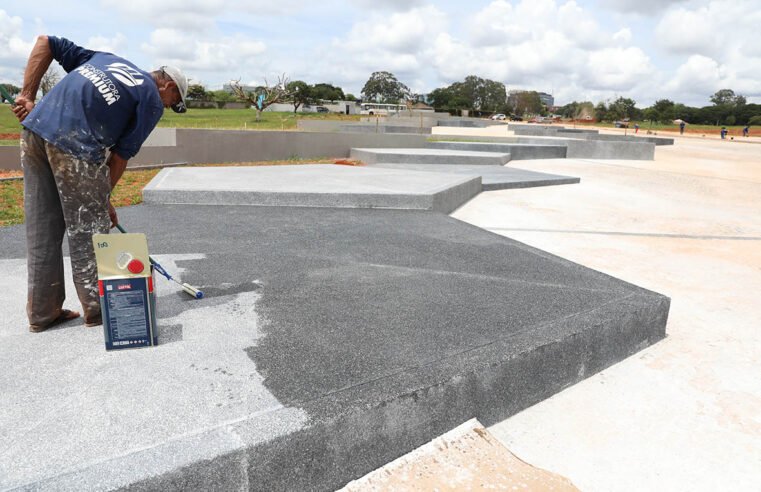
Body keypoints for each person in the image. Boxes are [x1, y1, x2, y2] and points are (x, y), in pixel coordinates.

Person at [12, 35, 187, 332]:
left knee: (43, 228)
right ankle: (98, 310)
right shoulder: (151, 99)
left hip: (35, 133)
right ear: (168, 87)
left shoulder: (107, 58)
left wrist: (27, 95)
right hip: (75, 146)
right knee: (89, 231)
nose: (168, 107)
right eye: (174, 103)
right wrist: (102, 201)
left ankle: (43, 313)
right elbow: (120, 156)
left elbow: (46, 42)